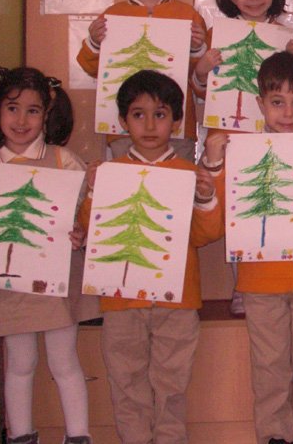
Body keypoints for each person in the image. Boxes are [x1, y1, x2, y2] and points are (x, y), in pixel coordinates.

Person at [201, 52, 293, 444]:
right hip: (260, 282)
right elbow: (221, 212)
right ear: (260, 103)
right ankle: (275, 436)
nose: (288, 112)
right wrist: (214, 165)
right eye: (277, 102)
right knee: (269, 367)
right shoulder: (241, 150)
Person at [75, 70, 222, 444]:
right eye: (138, 114)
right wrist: (92, 193)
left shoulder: (189, 172)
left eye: (160, 114)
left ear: (176, 121)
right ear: (123, 122)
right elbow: (93, 232)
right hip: (121, 300)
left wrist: (205, 198)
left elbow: (204, 236)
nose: (150, 125)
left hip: (177, 299)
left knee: (172, 384)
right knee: (126, 381)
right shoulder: (110, 172)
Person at [0, 66, 99, 444]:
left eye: (32, 110)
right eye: (12, 108)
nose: (21, 120)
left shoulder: (63, 160)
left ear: (47, 114)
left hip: (56, 282)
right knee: (19, 364)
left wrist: (82, 233)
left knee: (64, 361)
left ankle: (78, 436)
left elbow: (88, 214)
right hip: (7, 287)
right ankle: (21, 437)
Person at [191, 0, 293, 317]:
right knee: (239, 211)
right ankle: (242, 284)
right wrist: (202, 69)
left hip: (273, 137)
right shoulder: (218, 34)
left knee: (268, 205)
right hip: (230, 138)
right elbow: (201, 91)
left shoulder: (285, 35)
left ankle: (271, 278)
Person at [76, 0, 207, 162]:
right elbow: (93, 69)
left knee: (178, 180)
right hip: (124, 127)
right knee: (128, 180)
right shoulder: (113, 16)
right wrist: (94, 42)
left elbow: (200, 77)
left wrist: (197, 48)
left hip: (176, 126)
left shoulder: (187, 16)